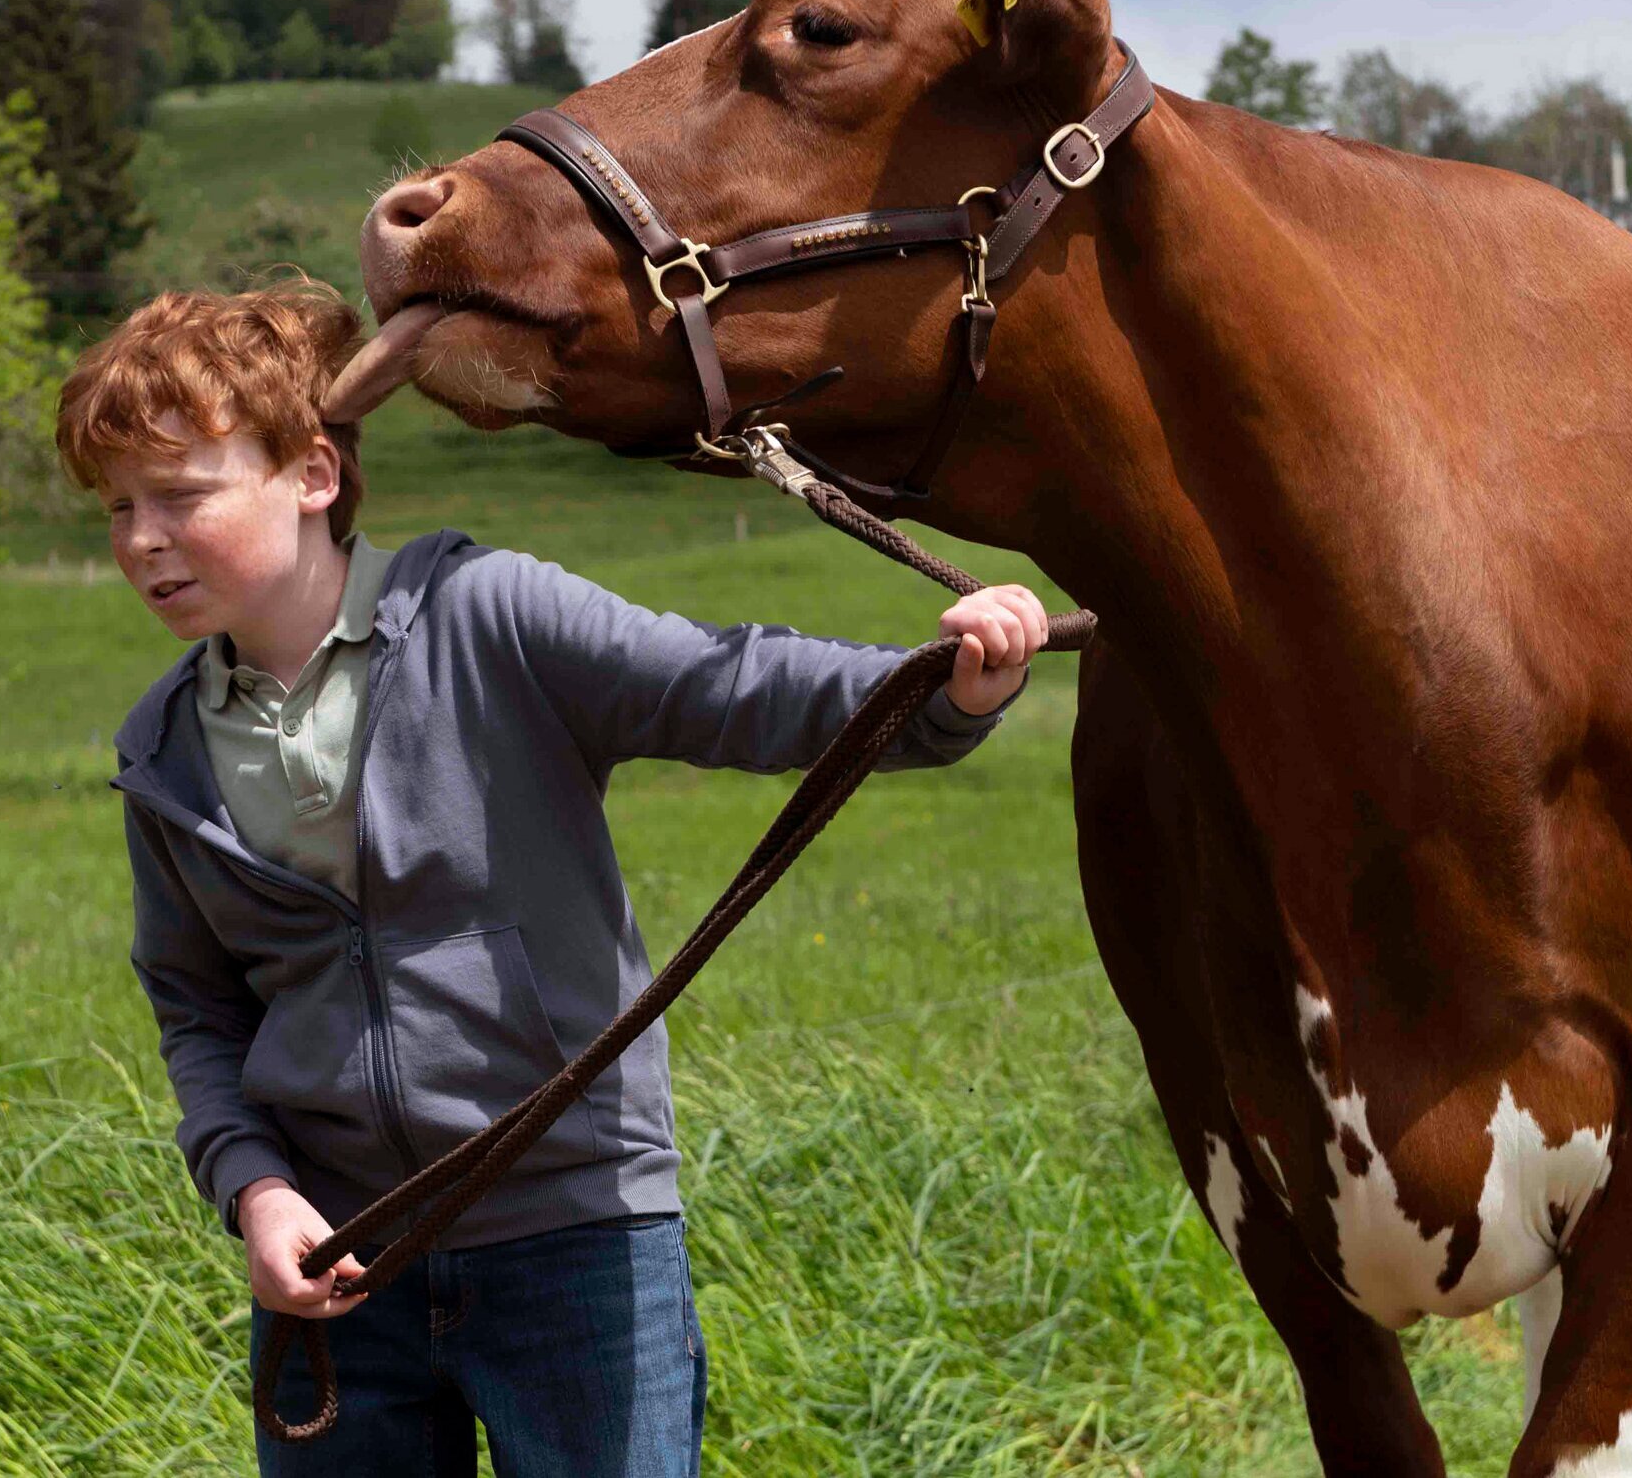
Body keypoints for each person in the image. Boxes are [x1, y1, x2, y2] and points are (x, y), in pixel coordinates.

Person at [55, 279, 1047, 1477]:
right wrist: (257, 1194)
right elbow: (198, 1010)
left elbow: (723, 685)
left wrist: (940, 684)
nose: (141, 539)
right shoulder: (157, 746)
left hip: (575, 1241)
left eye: (179, 494)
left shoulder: (489, 613)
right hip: (338, 1266)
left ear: (313, 474)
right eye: (117, 508)